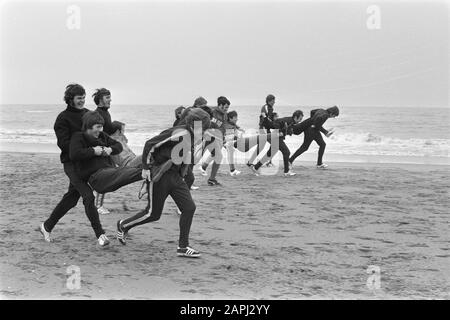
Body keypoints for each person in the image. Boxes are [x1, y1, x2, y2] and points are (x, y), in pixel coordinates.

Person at [116, 108, 211, 258]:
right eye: (203, 127)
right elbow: (149, 144)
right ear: (194, 124)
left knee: (189, 208)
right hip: (160, 175)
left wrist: (184, 173)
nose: (205, 130)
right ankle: (123, 225)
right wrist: (146, 168)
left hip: (175, 177)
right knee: (153, 214)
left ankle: (183, 246)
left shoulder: (194, 137)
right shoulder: (179, 132)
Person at [39, 84, 109, 246]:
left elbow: (98, 133)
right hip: (71, 163)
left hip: (86, 163)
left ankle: (46, 226)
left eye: (83, 97)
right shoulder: (62, 118)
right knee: (88, 196)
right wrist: (84, 148)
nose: (82, 101)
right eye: (79, 98)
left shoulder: (87, 114)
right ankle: (100, 234)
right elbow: (63, 144)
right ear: (70, 99)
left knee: (71, 199)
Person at [69, 111, 143, 195]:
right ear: (89, 126)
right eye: (98, 127)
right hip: (96, 177)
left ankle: (148, 174)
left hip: (110, 172)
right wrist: (93, 151)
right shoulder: (78, 137)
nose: (101, 130)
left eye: (102, 127)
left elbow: (118, 146)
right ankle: (147, 173)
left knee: (129, 171)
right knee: (129, 171)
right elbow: (74, 154)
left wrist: (110, 149)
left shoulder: (102, 136)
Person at [92, 88, 140, 214]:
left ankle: (96, 201)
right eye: (107, 98)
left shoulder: (105, 113)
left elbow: (107, 129)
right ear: (100, 100)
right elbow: (98, 132)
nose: (110, 100)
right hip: (104, 150)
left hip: (109, 150)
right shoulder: (98, 114)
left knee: (107, 179)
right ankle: (97, 206)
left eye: (110, 97)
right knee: (104, 179)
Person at [251, 110, 303, 176]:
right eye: (300, 119)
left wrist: (286, 132)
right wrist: (280, 132)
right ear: (295, 117)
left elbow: (283, 127)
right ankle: (286, 171)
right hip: (276, 137)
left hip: (276, 137)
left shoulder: (291, 121)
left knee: (269, 154)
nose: (300, 121)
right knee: (286, 152)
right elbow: (276, 123)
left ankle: (255, 167)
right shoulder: (290, 121)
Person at [198, 96, 230, 186]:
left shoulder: (224, 115)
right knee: (197, 156)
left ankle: (211, 178)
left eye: (228, 108)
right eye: (225, 107)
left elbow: (223, 127)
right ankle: (185, 175)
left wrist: (224, 139)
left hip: (216, 138)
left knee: (217, 156)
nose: (227, 109)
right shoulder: (211, 111)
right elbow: (202, 120)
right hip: (206, 136)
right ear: (220, 105)